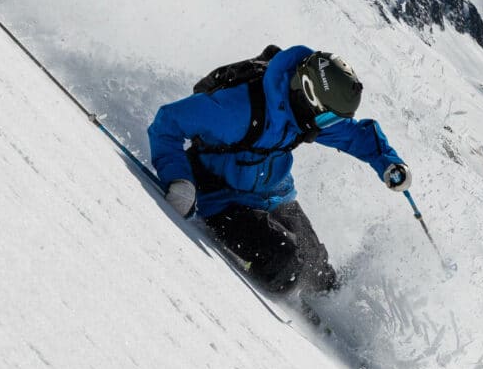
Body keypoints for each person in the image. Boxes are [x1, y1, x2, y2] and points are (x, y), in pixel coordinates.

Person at [148, 45, 411, 299]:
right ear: (308, 93)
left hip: (272, 192)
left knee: (317, 265)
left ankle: (321, 300)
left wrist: (389, 163)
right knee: (285, 265)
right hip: (221, 197)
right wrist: (179, 180)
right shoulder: (237, 110)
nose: (327, 127)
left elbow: (354, 135)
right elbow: (167, 123)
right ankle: (281, 300)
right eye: (327, 119)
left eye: (333, 120)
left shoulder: (306, 110)